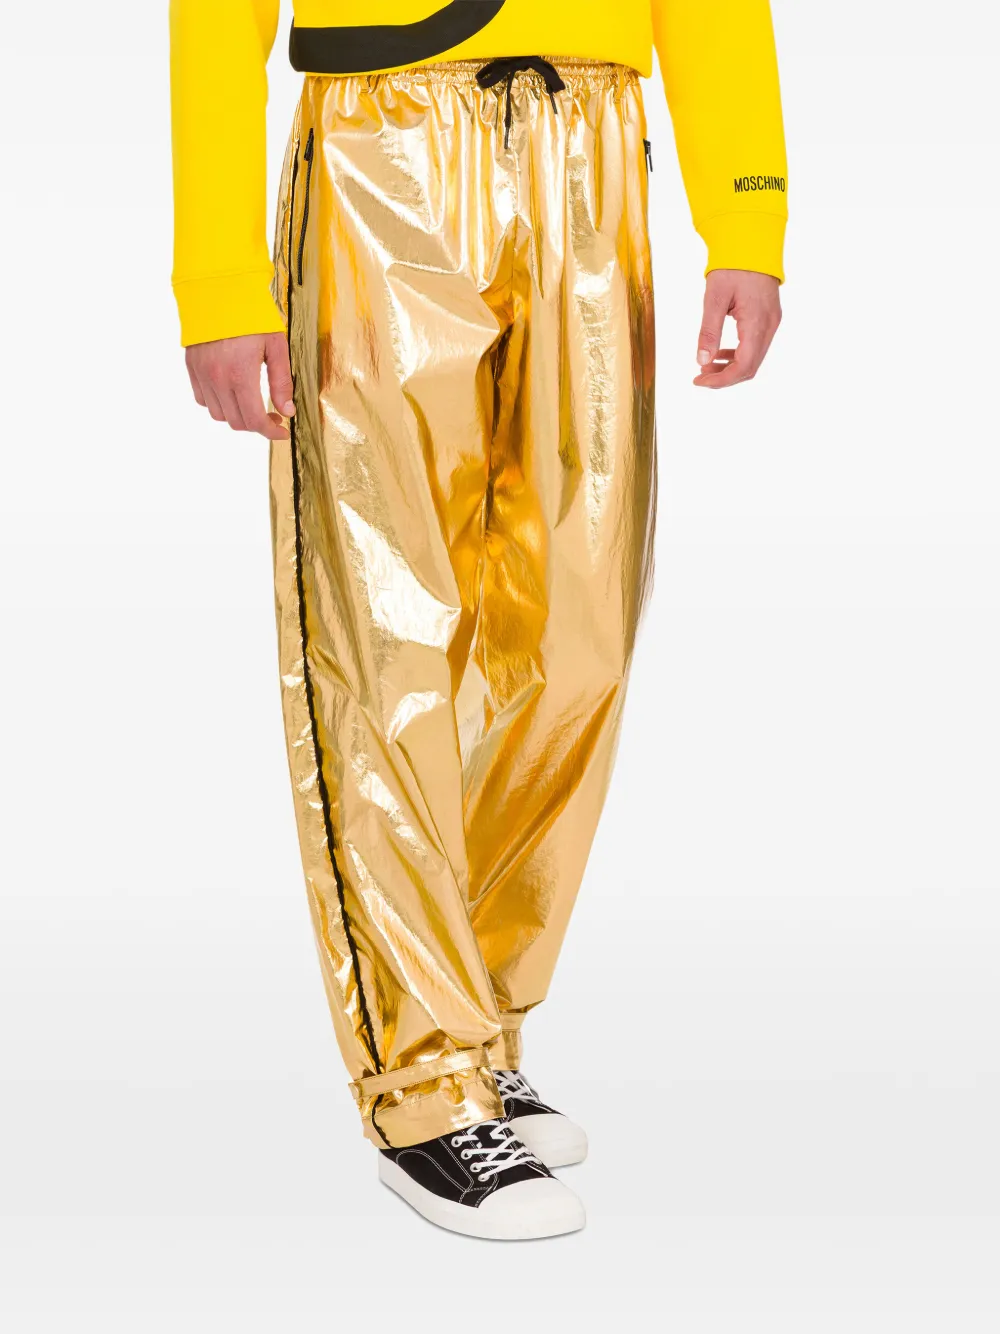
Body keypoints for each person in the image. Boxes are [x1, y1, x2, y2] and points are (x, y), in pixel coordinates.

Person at [169, 1, 787, 1240]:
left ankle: (480, 1029)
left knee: (576, 634)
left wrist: (746, 207)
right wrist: (219, 274)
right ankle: (420, 1087)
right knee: (381, 627)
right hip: (383, 147)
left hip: (593, 144)